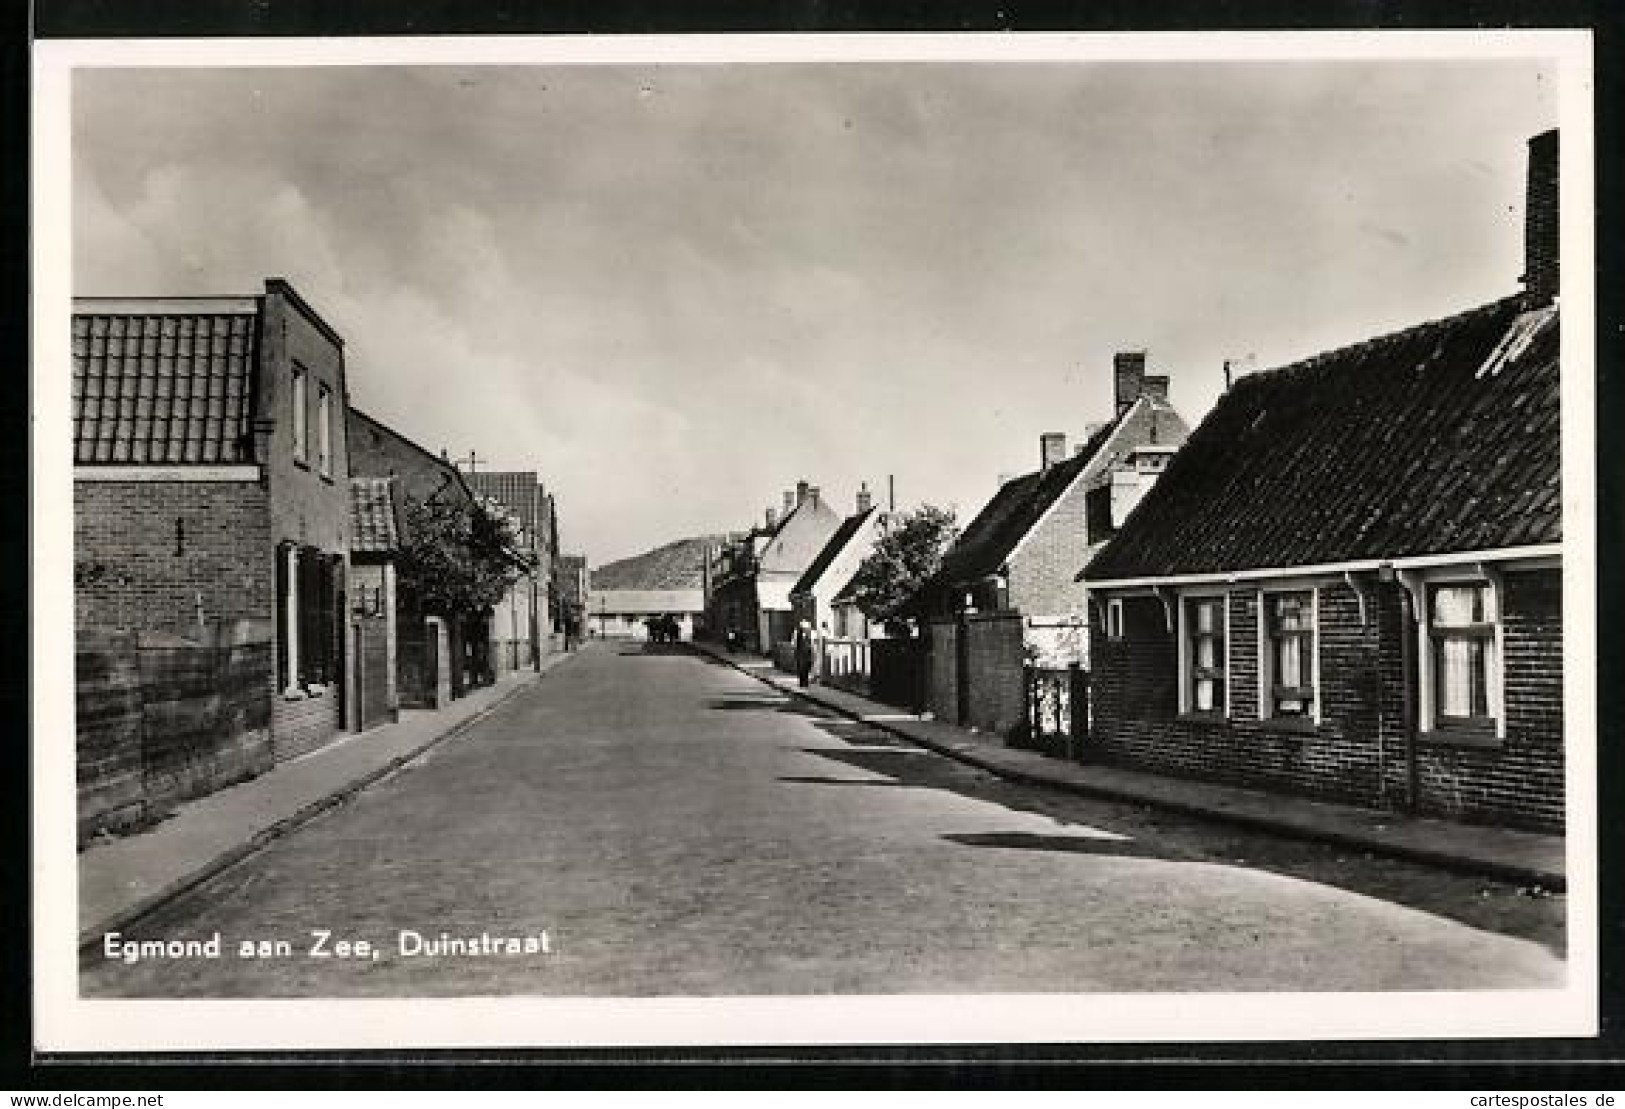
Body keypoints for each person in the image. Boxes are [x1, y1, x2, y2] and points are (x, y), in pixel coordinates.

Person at [793, 620, 815, 688]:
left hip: (808, 653)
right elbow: (795, 644)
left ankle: (805, 682)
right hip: (801, 654)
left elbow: (812, 644)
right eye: (804, 628)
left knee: (807, 668)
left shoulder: (810, 634)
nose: (805, 630)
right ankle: (802, 683)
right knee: (801, 668)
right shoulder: (797, 634)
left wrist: (813, 652)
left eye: (807, 628)